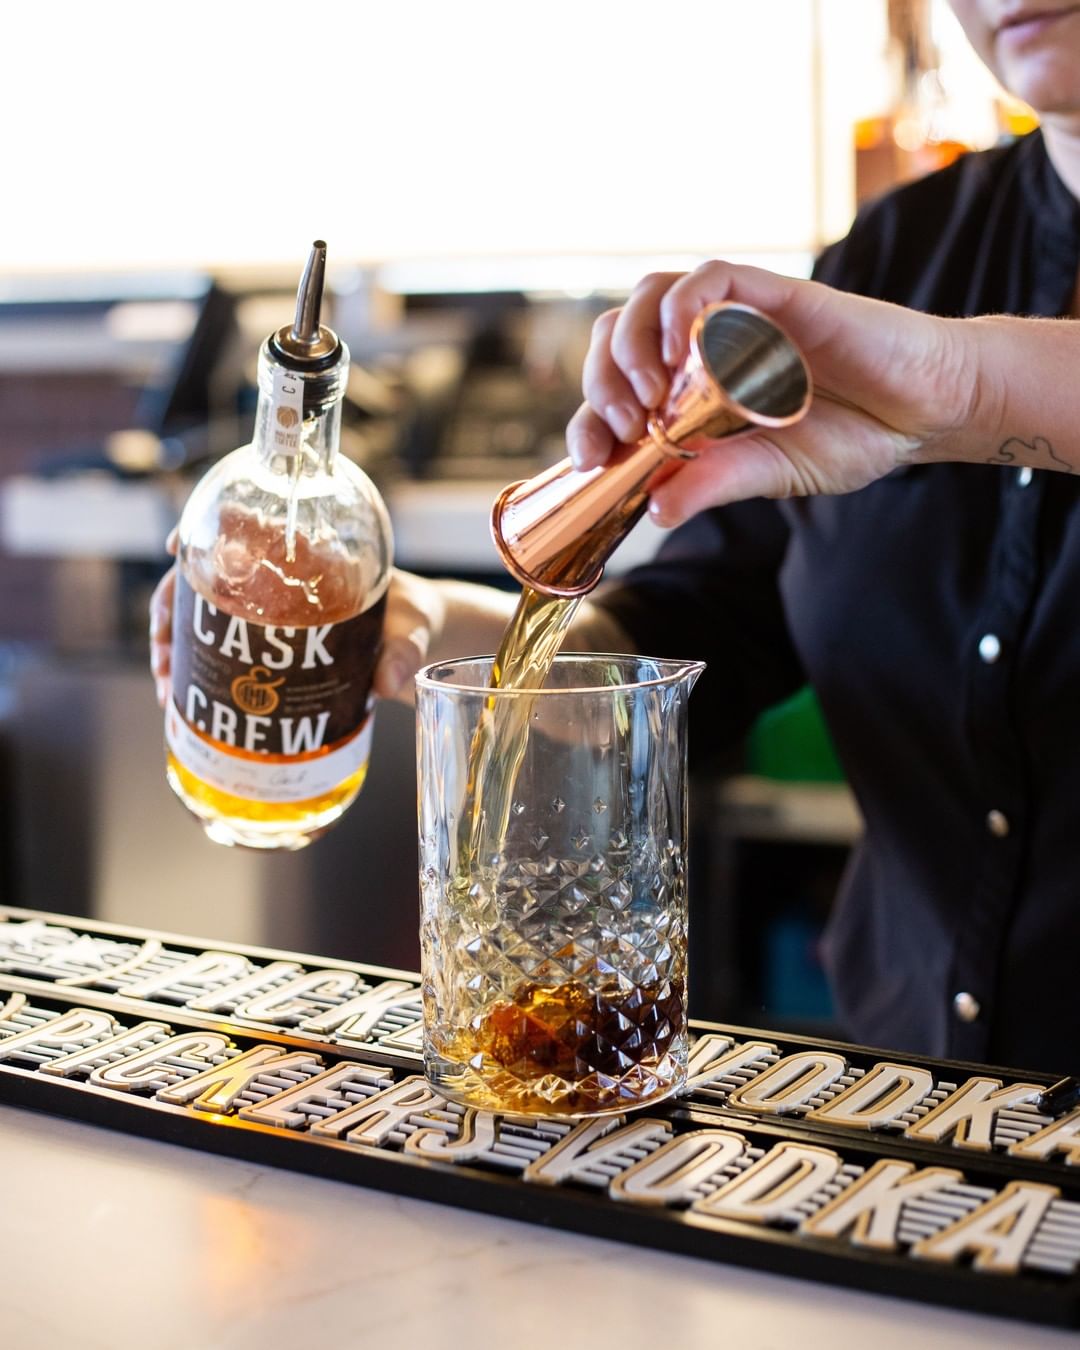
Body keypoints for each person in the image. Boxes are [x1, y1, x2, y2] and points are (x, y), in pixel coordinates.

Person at [152, 0, 1080, 1072]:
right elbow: (709, 626)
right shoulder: (896, 255)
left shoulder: (893, 322)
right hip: (913, 1100)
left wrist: (949, 383)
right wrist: (423, 623)